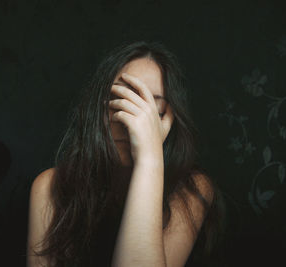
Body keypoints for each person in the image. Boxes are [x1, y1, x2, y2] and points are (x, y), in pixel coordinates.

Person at [26, 41, 225, 267]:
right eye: (120, 100)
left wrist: (149, 158)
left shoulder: (191, 188)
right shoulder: (50, 186)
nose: (132, 121)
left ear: (169, 119)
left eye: (151, 109)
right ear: (97, 109)